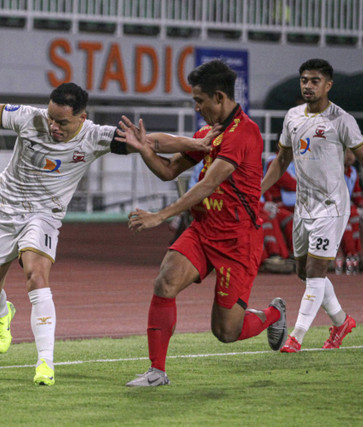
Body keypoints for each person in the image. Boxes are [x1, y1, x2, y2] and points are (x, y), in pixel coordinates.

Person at [0, 79, 210, 386]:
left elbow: (152, 140)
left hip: (44, 216)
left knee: (37, 276)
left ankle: (45, 362)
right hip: (2, 210)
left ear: (82, 118)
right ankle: (3, 312)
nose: (53, 126)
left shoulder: (96, 136)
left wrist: (194, 143)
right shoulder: (28, 118)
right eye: (51, 118)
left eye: (62, 122)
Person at [116, 60, 287, 387]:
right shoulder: (207, 134)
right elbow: (168, 170)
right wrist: (143, 149)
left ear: (219, 97)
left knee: (225, 332)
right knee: (164, 282)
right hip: (204, 230)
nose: (196, 107)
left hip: (238, 241)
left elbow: (207, 184)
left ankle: (274, 314)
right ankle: (157, 371)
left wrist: (161, 215)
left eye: (200, 100)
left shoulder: (245, 133)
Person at [261, 58, 363, 353]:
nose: (308, 86)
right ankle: (341, 321)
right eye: (304, 80)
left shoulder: (342, 120)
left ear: (328, 85)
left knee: (315, 273)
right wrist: (257, 192)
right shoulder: (293, 116)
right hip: (303, 207)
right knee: (303, 271)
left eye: (314, 81)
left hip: (332, 207)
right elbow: (281, 160)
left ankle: (296, 336)